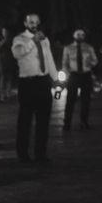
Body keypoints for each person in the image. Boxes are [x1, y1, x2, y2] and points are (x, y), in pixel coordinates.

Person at [12, 13, 59, 163]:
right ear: (25, 24)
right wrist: (33, 41)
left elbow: (49, 59)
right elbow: (18, 53)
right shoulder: (19, 39)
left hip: (43, 82)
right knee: (25, 120)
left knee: (43, 120)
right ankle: (23, 154)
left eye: (36, 22)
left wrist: (56, 79)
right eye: (31, 22)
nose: (34, 25)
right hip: (28, 83)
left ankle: (41, 154)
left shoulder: (44, 39)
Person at [62, 29, 98, 130]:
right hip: (74, 75)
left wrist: (91, 63)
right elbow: (64, 62)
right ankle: (67, 123)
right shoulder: (68, 48)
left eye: (82, 35)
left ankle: (84, 121)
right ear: (74, 35)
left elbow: (95, 60)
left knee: (86, 100)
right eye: (78, 34)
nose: (80, 36)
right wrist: (67, 72)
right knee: (70, 100)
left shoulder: (88, 47)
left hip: (85, 74)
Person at [0, 26, 17, 102]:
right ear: (2, 33)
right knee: (2, 78)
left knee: (9, 78)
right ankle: (2, 95)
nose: (5, 33)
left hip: (9, 61)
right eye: (4, 32)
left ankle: (8, 93)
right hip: (2, 62)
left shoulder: (11, 41)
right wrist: (3, 41)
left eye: (6, 32)